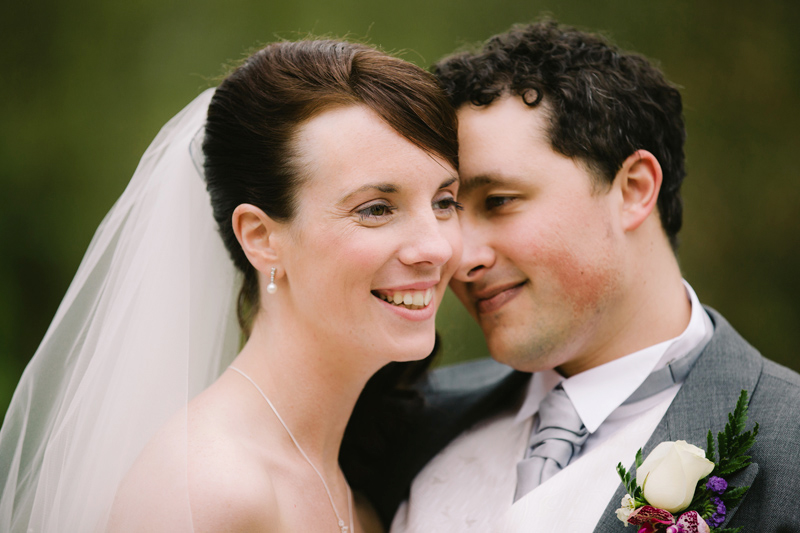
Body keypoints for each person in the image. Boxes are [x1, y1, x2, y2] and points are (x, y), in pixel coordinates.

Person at [341, 21, 800, 532]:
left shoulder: (791, 448)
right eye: (448, 207)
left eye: (499, 202)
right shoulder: (406, 422)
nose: (459, 257)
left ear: (633, 189)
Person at [0, 39, 463, 532]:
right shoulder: (205, 492)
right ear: (262, 239)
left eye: (444, 201)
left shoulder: (351, 487)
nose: (435, 247)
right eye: (376, 209)